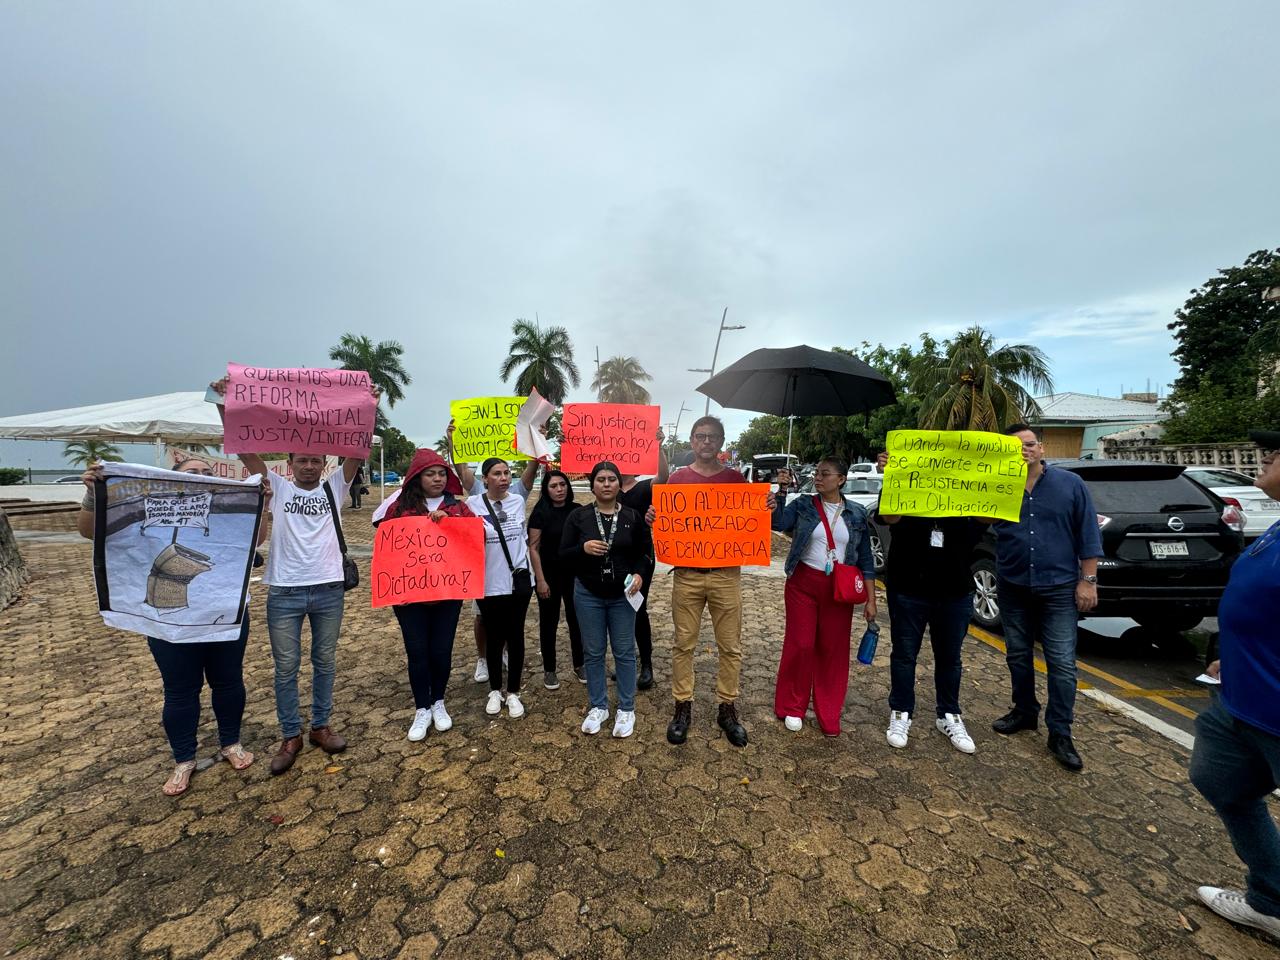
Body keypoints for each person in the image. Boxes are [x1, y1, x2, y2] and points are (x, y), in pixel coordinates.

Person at [212, 375, 377, 775]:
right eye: (301, 460)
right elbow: (246, 450)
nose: (308, 466)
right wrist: (223, 403)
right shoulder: (278, 489)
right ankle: (291, 734)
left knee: (325, 661)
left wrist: (368, 406)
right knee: (286, 667)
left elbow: (356, 450)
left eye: (315, 461)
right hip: (284, 590)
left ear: (325, 465)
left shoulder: (334, 488)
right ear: (289, 464)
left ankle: (320, 725)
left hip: (328, 589)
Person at [77, 458, 267, 796]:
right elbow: (89, 530)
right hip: (169, 619)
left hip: (223, 611)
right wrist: (94, 494)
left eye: (208, 475)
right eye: (193, 473)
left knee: (228, 682)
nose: (202, 478)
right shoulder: (148, 500)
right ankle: (183, 759)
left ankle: (231, 743)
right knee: (180, 690)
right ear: (174, 474)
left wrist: (261, 505)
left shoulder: (223, 504)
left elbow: (257, 538)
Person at [1189, 431, 1280, 940]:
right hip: (1240, 697)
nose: (1264, 457)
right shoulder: (1275, 528)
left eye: (1275, 453)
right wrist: (1232, 653)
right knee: (1221, 782)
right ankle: (1270, 899)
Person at [646, 416, 776, 747]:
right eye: (701, 436)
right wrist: (654, 517)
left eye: (713, 437)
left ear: (721, 442)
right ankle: (682, 706)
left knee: (730, 646)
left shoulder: (735, 479)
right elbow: (663, 515)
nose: (707, 442)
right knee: (683, 644)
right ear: (691, 440)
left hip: (726, 575)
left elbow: (750, 516)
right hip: (687, 576)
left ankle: (727, 707)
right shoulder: (676, 480)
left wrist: (766, 506)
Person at [991, 423, 1102, 772]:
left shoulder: (1071, 485)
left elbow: (1087, 535)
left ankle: (1060, 732)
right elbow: (976, 519)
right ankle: (1024, 712)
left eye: (1029, 444)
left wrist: (1089, 581)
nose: (1024, 450)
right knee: (1018, 655)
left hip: (1058, 587)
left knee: (1062, 663)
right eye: (1016, 447)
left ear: (1040, 448)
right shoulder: (998, 487)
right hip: (1013, 583)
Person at [374, 449, 474, 741]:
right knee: (417, 652)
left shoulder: (458, 507)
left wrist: (451, 522)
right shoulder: (399, 506)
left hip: (448, 592)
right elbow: (383, 534)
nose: (437, 478)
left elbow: (477, 535)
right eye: (431, 473)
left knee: (441, 650)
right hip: (410, 596)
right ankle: (422, 708)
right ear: (417, 477)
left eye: (442, 473)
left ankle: (439, 702)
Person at [771, 459, 876, 736]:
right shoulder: (804, 505)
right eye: (816, 473)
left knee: (832, 650)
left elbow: (865, 558)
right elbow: (778, 522)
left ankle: (828, 711)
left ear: (841, 479)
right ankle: (793, 706)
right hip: (803, 583)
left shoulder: (856, 513)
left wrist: (871, 598)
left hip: (838, 590)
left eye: (825, 474)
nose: (818, 478)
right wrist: (780, 493)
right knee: (801, 644)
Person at [878, 512, 984, 753]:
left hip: (955, 587)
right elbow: (886, 516)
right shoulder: (906, 477)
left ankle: (949, 714)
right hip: (908, 586)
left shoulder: (967, 487)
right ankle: (901, 711)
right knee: (904, 654)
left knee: (950, 658)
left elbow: (981, 525)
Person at [560, 461, 650, 738]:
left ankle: (626, 707)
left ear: (619, 483)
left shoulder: (633, 517)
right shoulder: (578, 517)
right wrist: (583, 548)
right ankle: (598, 705)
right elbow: (563, 555)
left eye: (612, 479)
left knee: (624, 652)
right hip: (588, 594)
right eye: (601, 479)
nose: (607, 484)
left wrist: (639, 575)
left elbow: (645, 554)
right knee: (594, 652)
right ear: (593, 484)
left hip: (623, 595)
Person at [467, 457, 535, 718]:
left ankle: (514, 692)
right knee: (494, 637)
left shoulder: (518, 501)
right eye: (497, 473)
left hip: (518, 581)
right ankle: (495, 690)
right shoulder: (472, 504)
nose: (504, 478)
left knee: (515, 636)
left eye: (507, 473)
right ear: (485, 478)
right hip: (488, 582)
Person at [617, 432, 669, 691]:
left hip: (642, 557)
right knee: (618, 609)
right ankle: (625, 661)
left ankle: (647, 664)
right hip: (615, 557)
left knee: (637, 607)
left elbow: (664, 478)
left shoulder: (645, 486)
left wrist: (659, 445)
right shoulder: (609, 486)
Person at [528, 469, 583, 689]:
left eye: (562, 485)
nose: (559, 489)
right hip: (548, 576)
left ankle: (580, 664)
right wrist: (540, 580)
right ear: (546, 489)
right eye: (553, 486)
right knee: (548, 623)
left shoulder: (577, 511)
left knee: (576, 622)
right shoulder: (540, 512)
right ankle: (549, 670)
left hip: (574, 576)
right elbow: (533, 548)